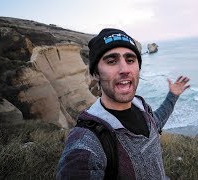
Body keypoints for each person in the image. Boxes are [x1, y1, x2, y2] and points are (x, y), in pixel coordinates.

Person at [56, 28, 190, 179]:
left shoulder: (140, 105)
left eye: (130, 60)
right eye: (112, 61)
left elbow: (155, 124)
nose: (125, 69)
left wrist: (172, 96)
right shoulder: (87, 141)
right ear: (95, 73)